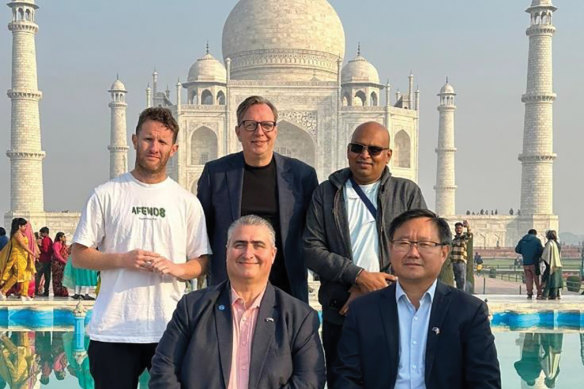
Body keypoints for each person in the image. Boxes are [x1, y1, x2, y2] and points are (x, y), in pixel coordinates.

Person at [71, 107, 211, 389]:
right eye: (148, 139)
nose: (154, 147)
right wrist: (124, 259)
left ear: (174, 149)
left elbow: (202, 261)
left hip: (168, 327)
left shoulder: (185, 202)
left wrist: (177, 268)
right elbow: (79, 255)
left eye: (162, 142)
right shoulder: (107, 194)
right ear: (135, 140)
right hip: (113, 329)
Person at [303, 121, 426, 385]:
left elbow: (420, 248)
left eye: (374, 149)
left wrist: (372, 288)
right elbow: (311, 248)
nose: (365, 155)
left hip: (395, 308)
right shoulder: (326, 193)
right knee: (344, 380)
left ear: (388, 154)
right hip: (342, 309)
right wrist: (357, 276)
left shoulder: (406, 193)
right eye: (357, 148)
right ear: (348, 150)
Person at [149, 215, 325, 388]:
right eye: (239, 244)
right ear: (227, 251)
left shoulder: (299, 316)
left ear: (273, 254)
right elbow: (164, 370)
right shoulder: (192, 307)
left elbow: (309, 381)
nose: (248, 253)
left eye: (258, 245)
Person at [333, 209, 501, 389]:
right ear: (391, 249)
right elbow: (346, 377)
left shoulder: (468, 311)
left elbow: (485, 382)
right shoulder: (363, 310)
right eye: (403, 243)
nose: (413, 253)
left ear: (444, 252)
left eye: (424, 244)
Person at [198, 95, 318, 302]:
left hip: (286, 290)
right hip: (229, 291)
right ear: (238, 132)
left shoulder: (301, 175)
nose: (259, 132)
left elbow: (314, 235)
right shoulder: (215, 174)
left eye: (267, 125)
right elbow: (201, 234)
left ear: (276, 130)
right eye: (250, 125)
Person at [0, 218, 38, 301]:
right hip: (17, 257)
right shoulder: (17, 234)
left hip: (24, 257)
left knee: (27, 274)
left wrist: (30, 255)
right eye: (24, 226)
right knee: (18, 275)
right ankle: (3, 291)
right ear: (19, 226)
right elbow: (23, 245)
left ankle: (24, 294)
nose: (25, 227)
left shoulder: (22, 234)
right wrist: (32, 253)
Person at [515, 229, 543, 299]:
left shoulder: (522, 240)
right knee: (537, 279)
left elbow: (517, 249)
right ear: (535, 234)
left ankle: (529, 293)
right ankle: (539, 293)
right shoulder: (537, 240)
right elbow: (541, 251)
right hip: (534, 263)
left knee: (528, 279)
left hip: (525, 263)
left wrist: (525, 252)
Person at [451, 220, 472, 291]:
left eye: (460, 228)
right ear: (455, 229)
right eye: (457, 228)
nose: (458, 229)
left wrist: (468, 227)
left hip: (461, 262)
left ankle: (462, 295)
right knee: (457, 280)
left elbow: (469, 235)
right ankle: (459, 294)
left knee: (462, 280)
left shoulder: (464, 239)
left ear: (462, 229)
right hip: (454, 262)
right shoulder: (453, 240)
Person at [541, 230, 562, 300]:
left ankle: (545, 295)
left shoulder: (549, 244)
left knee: (549, 280)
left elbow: (545, 255)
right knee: (555, 280)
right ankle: (554, 295)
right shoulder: (557, 244)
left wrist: (539, 260)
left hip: (550, 264)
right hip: (557, 264)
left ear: (548, 236)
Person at [35, 226, 53, 297]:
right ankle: (46, 292)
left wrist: (39, 247)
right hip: (48, 260)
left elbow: (45, 250)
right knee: (47, 277)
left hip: (42, 260)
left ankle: (35, 291)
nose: (41, 235)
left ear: (45, 233)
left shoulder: (45, 240)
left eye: (42, 233)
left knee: (38, 276)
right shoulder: (50, 239)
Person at [51, 232, 69, 297]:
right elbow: (57, 254)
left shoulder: (63, 244)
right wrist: (64, 261)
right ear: (60, 237)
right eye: (63, 237)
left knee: (63, 278)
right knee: (57, 279)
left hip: (62, 263)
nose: (65, 238)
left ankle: (63, 292)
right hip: (57, 264)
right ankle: (58, 292)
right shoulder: (56, 244)